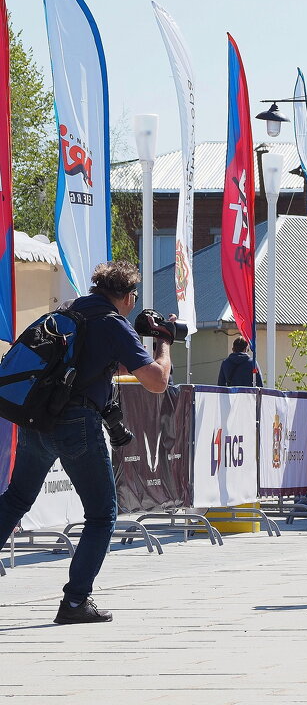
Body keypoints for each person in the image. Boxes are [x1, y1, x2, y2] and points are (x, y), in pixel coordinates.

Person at [0, 261, 172, 624]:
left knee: (16, 499)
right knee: (101, 514)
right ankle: (75, 602)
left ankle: (77, 600)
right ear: (127, 296)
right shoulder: (112, 323)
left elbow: (95, 363)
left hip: (39, 419)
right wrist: (164, 344)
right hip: (77, 423)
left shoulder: (70, 310)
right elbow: (156, 381)